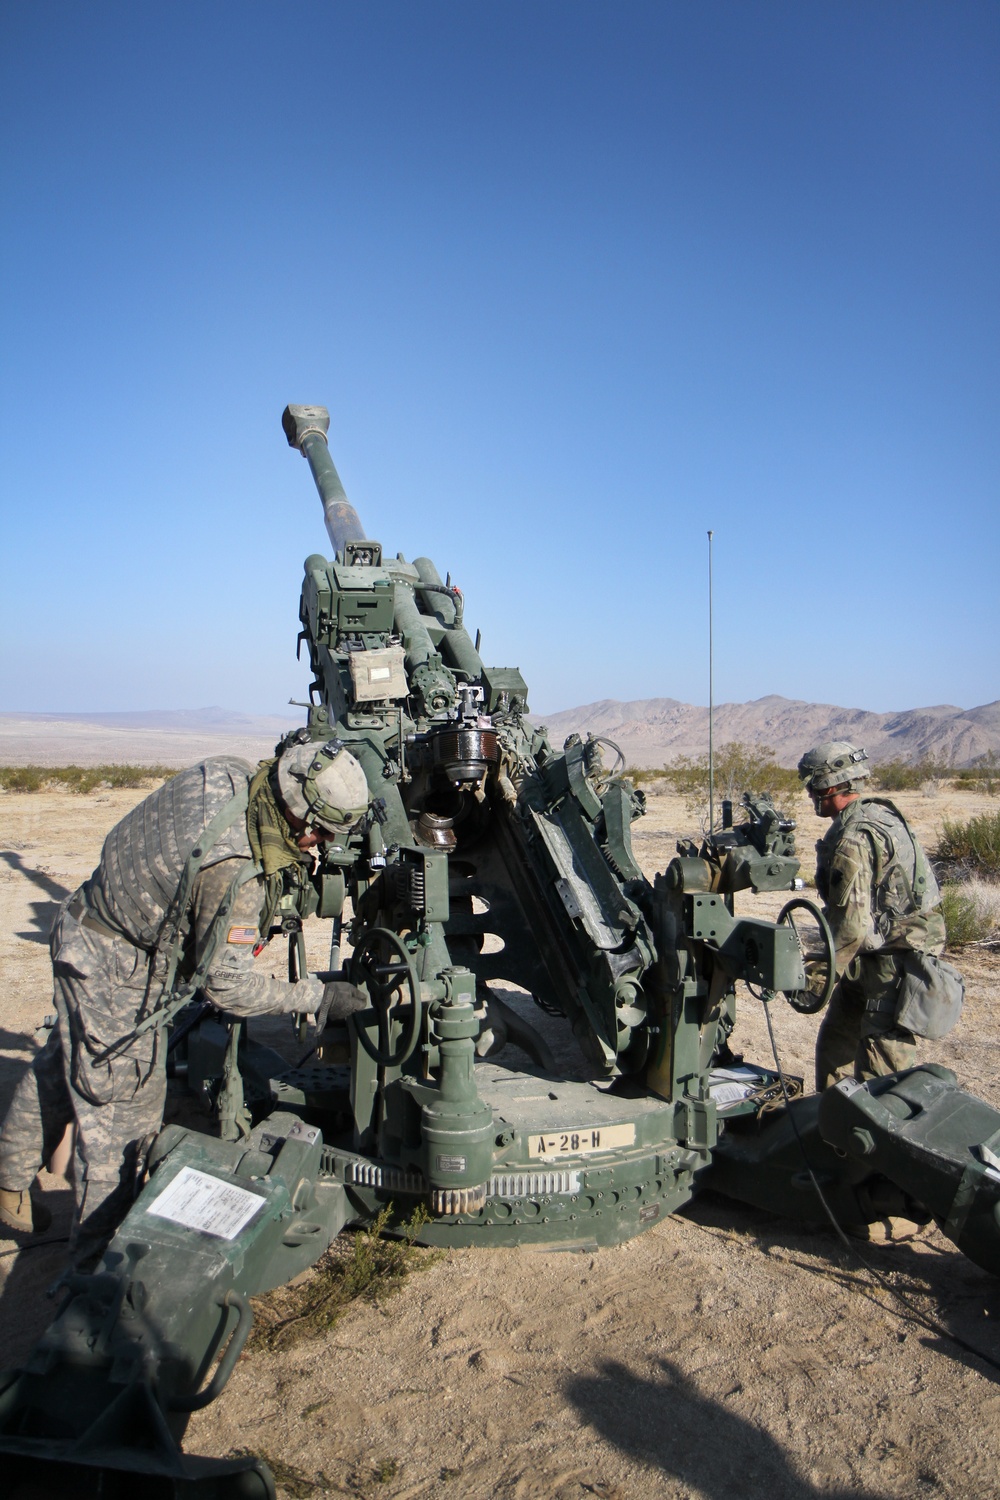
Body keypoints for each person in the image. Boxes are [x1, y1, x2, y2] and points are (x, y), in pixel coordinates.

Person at [0, 734, 370, 1266]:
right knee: (122, 1121)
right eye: (324, 834)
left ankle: (10, 1176)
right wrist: (316, 996)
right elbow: (228, 986)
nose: (319, 844)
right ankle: (92, 1286)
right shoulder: (235, 867)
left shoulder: (230, 773)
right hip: (118, 963)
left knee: (71, 1051)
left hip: (92, 919)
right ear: (304, 819)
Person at [798, 740, 960, 1092]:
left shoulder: (853, 838)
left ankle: (864, 1141)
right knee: (835, 1049)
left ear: (830, 786)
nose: (811, 794)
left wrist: (816, 976)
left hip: (894, 968)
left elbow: (850, 926)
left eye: (813, 785)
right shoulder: (881, 815)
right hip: (871, 960)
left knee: (881, 1078)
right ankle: (829, 1131)